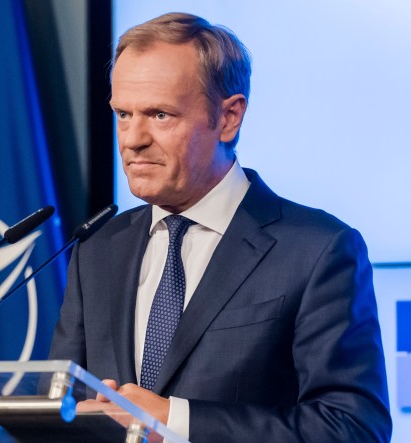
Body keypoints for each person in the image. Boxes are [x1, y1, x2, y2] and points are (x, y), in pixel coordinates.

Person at [48, 12, 391, 442]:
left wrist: (174, 419)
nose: (132, 138)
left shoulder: (317, 251)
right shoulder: (98, 250)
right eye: (122, 113)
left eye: (159, 115)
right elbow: (60, 408)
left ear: (229, 117)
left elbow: (353, 427)